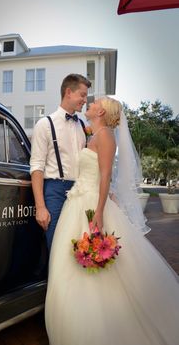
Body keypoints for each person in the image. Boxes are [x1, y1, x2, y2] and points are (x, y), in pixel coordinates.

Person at [45, 96, 179, 345]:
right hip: (77, 200)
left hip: (91, 203)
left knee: (97, 265)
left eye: (96, 103)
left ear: (102, 112)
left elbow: (105, 175)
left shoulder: (106, 136)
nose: (91, 103)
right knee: (69, 264)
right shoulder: (94, 135)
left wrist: (98, 211)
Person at [30, 73, 92, 252]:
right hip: (55, 192)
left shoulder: (82, 126)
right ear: (68, 92)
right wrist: (40, 207)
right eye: (82, 95)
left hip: (80, 192)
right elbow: (37, 167)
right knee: (58, 248)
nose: (85, 100)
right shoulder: (45, 124)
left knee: (80, 249)